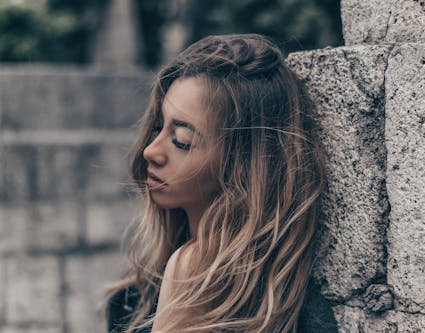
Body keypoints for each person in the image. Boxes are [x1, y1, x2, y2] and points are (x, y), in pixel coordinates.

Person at [105, 34, 329, 333]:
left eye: (181, 141)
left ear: (243, 167)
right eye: (158, 127)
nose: (150, 151)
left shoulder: (304, 315)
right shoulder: (131, 301)